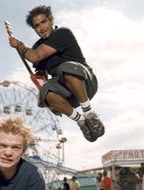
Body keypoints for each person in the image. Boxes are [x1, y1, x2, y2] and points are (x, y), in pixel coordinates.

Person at [8, 5, 105, 142]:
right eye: (37, 26)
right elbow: (42, 76)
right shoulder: (37, 46)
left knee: (65, 68)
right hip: (67, 93)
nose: (41, 28)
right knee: (46, 90)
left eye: (44, 22)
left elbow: (35, 56)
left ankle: (89, 114)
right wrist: (45, 98)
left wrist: (19, 45)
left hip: (85, 83)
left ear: (51, 20)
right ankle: (81, 121)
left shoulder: (63, 33)